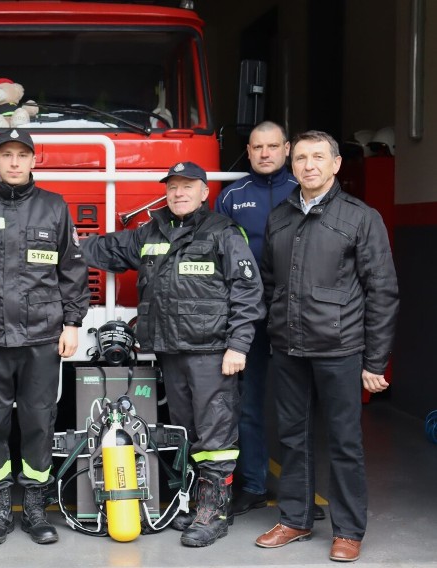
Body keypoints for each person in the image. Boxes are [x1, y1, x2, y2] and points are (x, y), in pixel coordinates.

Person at [82, 161, 265, 548]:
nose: (179, 193)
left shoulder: (223, 233)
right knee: (187, 432)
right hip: (171, 350)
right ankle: (196, 501)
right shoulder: (151, 231)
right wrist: (58, 244)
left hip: (213, 352)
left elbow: (248, 293)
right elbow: (105, 248)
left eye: (187, 186)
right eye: (172, 187)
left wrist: (238, 345)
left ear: (204, 192)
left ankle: (214, 512)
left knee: (217, 433)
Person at [255, 131, 399, 563]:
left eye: (318, 157)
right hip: (288, 348)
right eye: (300, 158)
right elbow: (267, 281)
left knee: (344, 442)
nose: (308, 165)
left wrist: (375, 359)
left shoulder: (361, 217)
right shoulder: (279, 217)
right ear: (291, 165)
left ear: (336, 165)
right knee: (293, 437)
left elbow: (383, 291)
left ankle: (349, 530)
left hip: (340, 348)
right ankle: (296, 518)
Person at [0, 128, 90, 546]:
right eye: (5, 154)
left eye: (20, 155)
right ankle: (1, 509)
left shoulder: (54, 208)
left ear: (33, 160)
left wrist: (73, 323)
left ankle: (36, 509)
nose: (13, 162)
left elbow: (72, 271)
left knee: (38, 421)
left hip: (42, 336)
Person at [214, 121, 302, 516]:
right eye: (257, 147)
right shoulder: (231, 196)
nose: (265, 153)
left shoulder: (305, 191)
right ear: (247, 151)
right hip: (248, 318)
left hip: (298, 315)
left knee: (296, 405)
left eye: (272, 146)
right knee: (247, 405)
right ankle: (252, 485)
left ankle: (301, 491)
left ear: (286, 149)